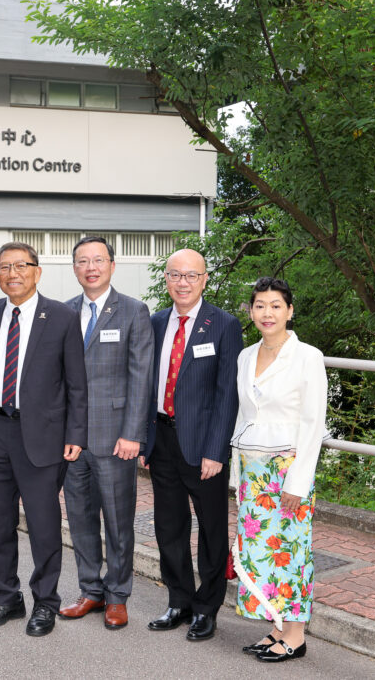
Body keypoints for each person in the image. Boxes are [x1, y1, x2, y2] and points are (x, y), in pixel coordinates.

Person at [0, 242, 88, 637]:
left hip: (42, 436)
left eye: (21, 265)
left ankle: (45, 602)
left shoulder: (61, 316)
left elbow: (77, 383)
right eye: (5, 267)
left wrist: (76, 434)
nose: (13, 273)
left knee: (43, 524)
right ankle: (6, 597)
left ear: (37, 271)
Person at [142, 248, 242, 641]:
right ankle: (179, 600)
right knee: (169, 526)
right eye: (175, 275)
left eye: (191, 276)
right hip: (162, 438)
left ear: (204, 279)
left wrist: (216, 451)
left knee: (212, 528)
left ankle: (207, 607)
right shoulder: (155, 322)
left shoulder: (224, 324)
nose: (182, 283)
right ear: (166, 278)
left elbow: (227, 394)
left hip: (203, 446)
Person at [59, 237, 153, 630]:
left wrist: (133, 433)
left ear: (112, 266)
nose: (91, 267)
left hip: (116, 439)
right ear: (75, 268)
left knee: (117, 522)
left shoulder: (133, 311)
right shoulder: (62, 313)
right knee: (79, 520)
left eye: (98, 260)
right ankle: (90, 591)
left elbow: (141, 375)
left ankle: (117, 595)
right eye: (83, 261)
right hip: (70, 441)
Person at [231, 277, 327, 662]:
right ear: (251, 311)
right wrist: (238, 476)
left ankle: (296, 635)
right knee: (260, 552)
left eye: (275, 305)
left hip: (287, 469)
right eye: (259, 305)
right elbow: (243, 415)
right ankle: (275, 627)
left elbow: (313, 423)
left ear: (290, 311)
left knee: (291, 552)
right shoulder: (245, 356)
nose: (267, 313)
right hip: (252, 469)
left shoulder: (308, 357)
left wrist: (298, 482)